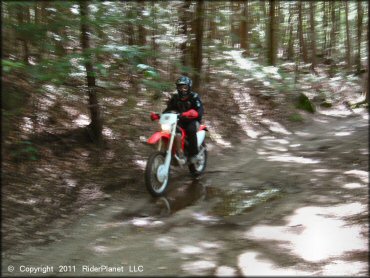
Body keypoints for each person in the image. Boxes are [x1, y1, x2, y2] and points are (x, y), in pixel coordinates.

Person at [151, 76, 204, 164]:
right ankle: (179, 152)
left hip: (193, 120)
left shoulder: (194, 97)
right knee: (174, 130)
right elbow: (168, 109)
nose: (182, 89)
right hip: (179, 120)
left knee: (190, 130)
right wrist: (158, 115)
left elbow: (200, 109)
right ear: (177, 88)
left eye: (185, 87)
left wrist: (195, 113)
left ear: (189, 87)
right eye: (180, 87)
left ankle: (194, 154)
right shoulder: (175, 98)